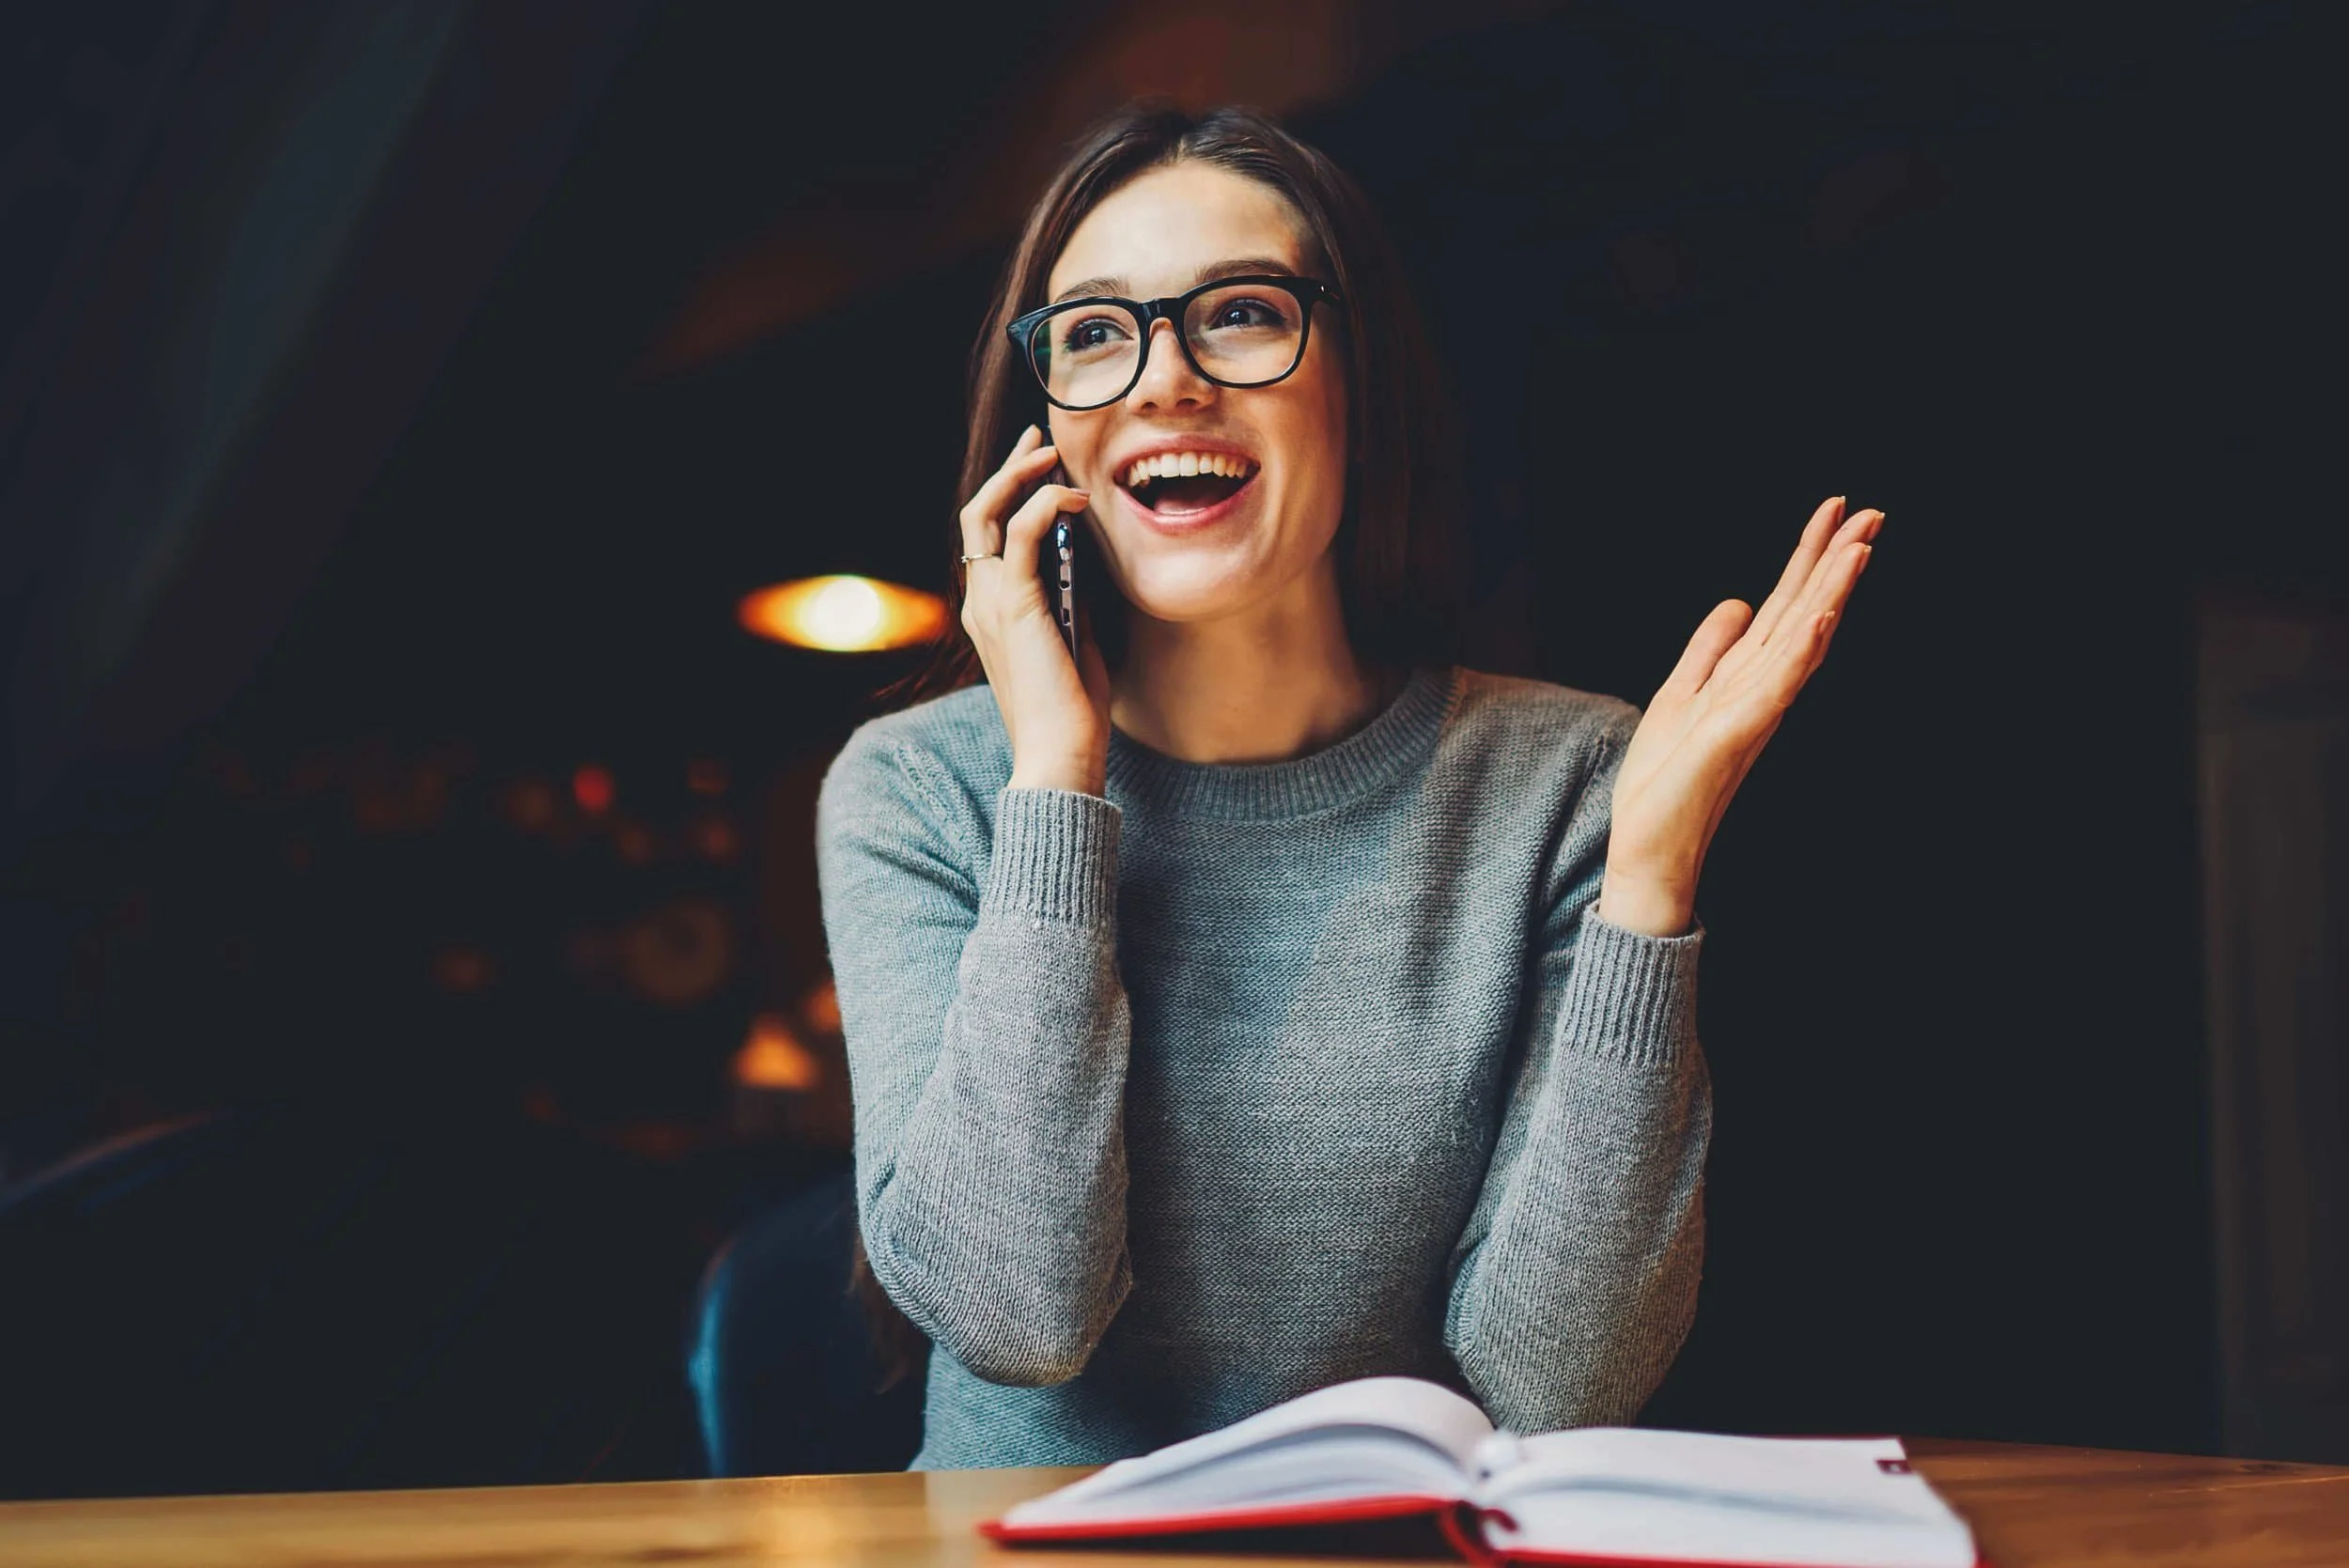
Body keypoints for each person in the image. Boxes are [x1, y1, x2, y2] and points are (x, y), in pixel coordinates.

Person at [814, 102, 1879, 1470]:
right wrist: (1058, 787)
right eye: (1092, 331)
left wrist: (1648, 887)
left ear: (1360, 390)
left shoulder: (1573, 783)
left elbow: (1561, 1387)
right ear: (1047, 437)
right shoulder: (918, 792)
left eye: (1241, 314)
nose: (1162, 381)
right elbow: (1017, 1316)